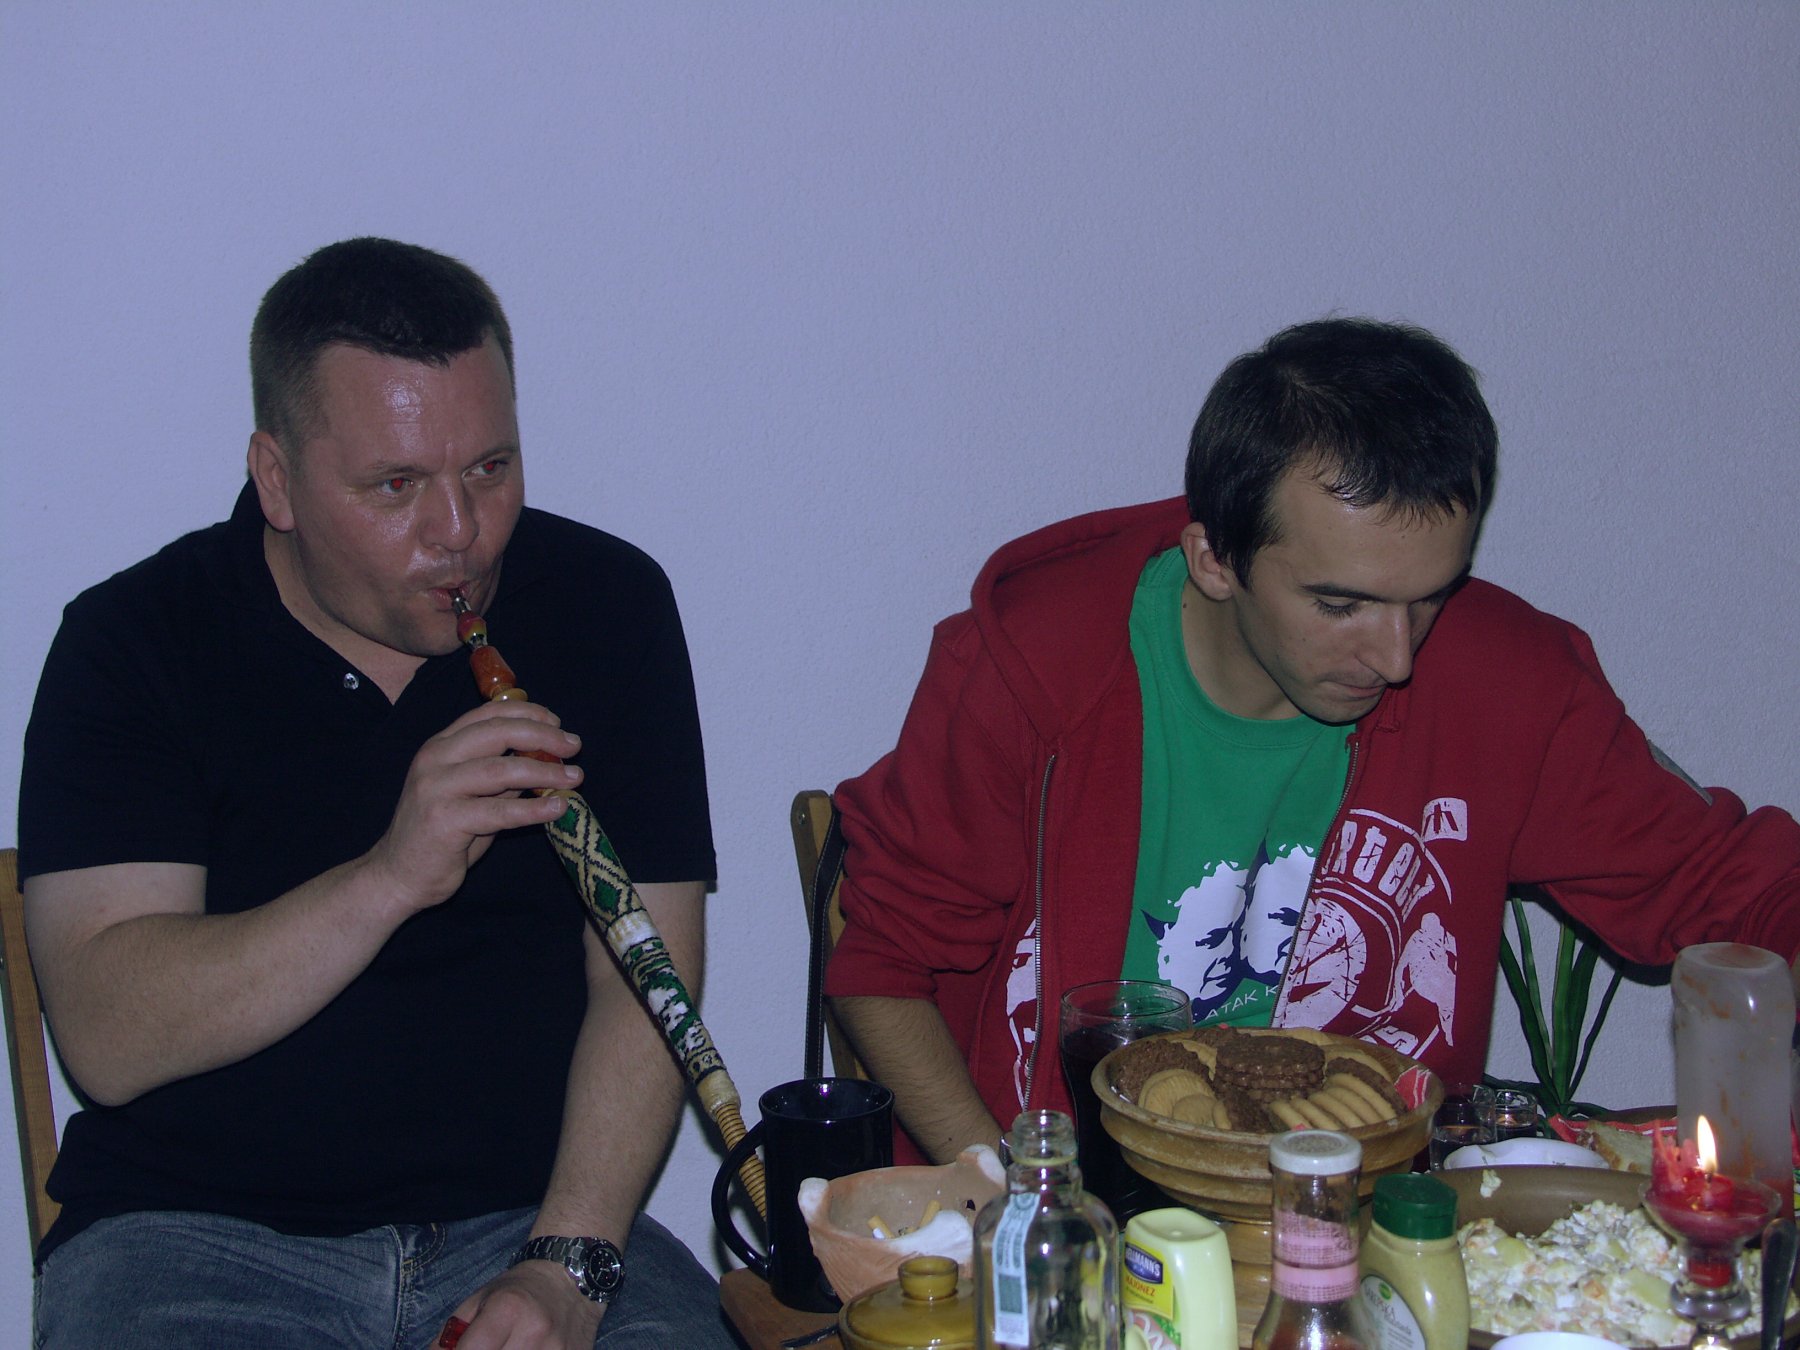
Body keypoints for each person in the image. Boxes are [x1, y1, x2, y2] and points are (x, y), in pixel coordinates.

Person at [823, 317, 1800, 1166]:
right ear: (1215, 558)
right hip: (1074, 1224)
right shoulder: (1032, 672)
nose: (1396, 657)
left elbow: (1739, 890)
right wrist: (1013, 1198)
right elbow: (883, 971)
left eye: (1431, 597)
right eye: (1340, 605)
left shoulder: (1510, 688)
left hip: (1365, 1236)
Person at [17, 238, 736, 1348]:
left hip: (537, 1221)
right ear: (277, 480)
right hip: (194, 1241)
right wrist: (392, 876)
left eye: (490, 469)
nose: (460, 533)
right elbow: (109, 1038)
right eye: (396, 486)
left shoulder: (606, 604)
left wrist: (568, 1263)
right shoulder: (135, 641)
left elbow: (647, 978)